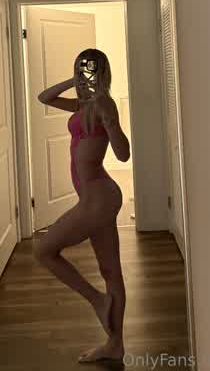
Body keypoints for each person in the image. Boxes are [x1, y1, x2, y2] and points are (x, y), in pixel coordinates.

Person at [36, 48, 130, 363]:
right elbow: (44, 97)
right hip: (94, 197)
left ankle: (97, 301)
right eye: (80, 69)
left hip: (99, 197)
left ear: (102, 72)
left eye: (89, 69)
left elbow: (123, 154)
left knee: (43, 250)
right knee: (109, 270)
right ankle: (115, 345)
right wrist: (73, 80)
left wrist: (111, 123)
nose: (84, 74)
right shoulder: (82, 104)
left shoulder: (104, 104)